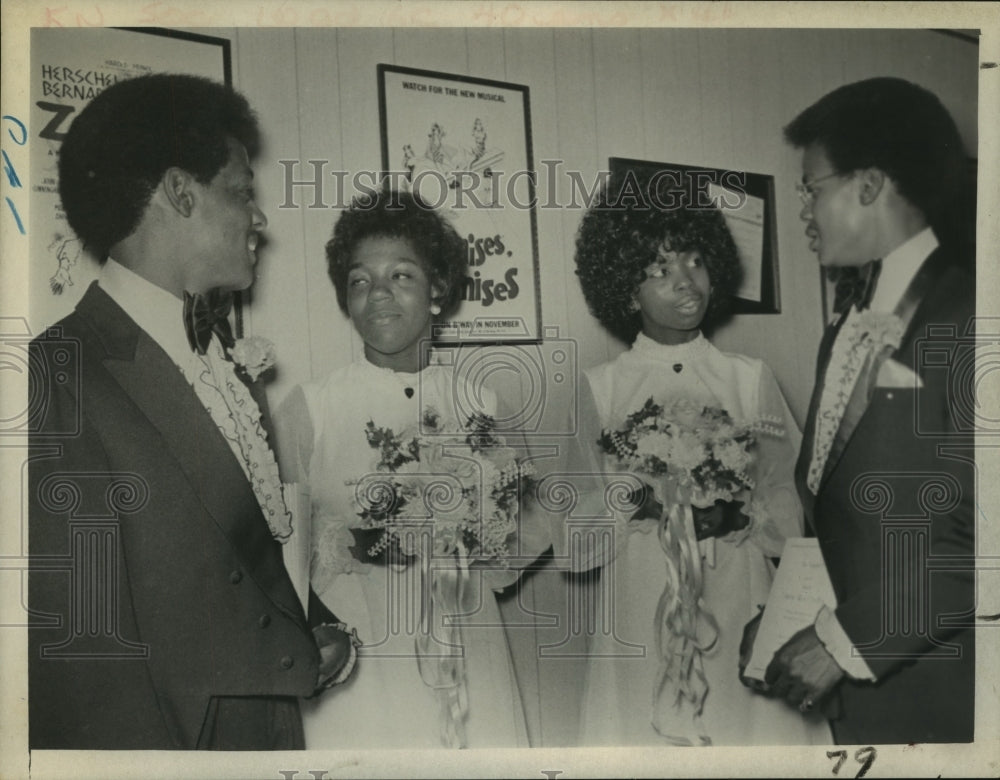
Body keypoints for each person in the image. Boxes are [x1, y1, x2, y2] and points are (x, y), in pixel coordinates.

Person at [28, 73, 355, 750]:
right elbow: (84, 664)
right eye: (241, 192)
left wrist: (313, 628)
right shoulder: (55, 375)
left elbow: (234, 556)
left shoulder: (227, 364)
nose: (259, 219)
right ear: (181, 193)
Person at [740, 77, 976, 744]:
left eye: (812, 188)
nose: (804, 211)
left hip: (949, 694)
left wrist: (843, 643)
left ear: (869, 185)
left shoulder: (974, 319)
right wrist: (793, 618)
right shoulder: (843, 327)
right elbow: (840, 511)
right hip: (865, 701)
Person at [563, 169, 830, 746]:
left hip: (737, 592)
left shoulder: (749, 379)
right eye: (659, 269)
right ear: (626, 290)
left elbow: (789, 506)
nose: (685, 282)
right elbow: (575, 530)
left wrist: (736, 518)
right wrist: (640, 507)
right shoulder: (601, 389)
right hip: (641, 596)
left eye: (693, 261)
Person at [273, 187, 545, 749]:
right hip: (361, 647)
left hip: (465, 632)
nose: (378, 295)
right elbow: (278, 548)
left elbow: (527, 524)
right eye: (359, 280)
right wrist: (353, 545)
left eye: (400, 276)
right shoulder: (311, 407)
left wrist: (465, 539)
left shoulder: (482, 405)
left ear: (438, 289)